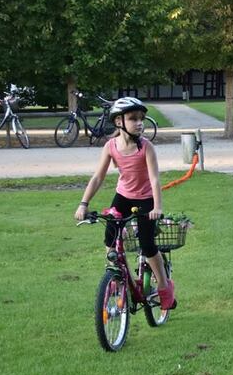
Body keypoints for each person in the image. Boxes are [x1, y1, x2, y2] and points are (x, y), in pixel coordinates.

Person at [73, 97, 175, 310]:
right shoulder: (111, 146)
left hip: (145, 198)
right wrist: (83, 203)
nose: (139, 123)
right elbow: (98, 177)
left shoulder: (146, 147)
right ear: (119, 122)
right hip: (123, 196)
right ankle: (119, 279)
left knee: (147, 245)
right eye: (133, 119)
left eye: (141, 119)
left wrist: (157, 207)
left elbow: (155, 179)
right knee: (111, 241)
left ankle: (165, 287)